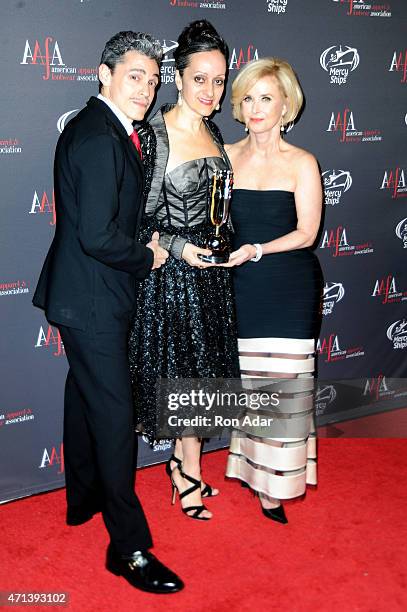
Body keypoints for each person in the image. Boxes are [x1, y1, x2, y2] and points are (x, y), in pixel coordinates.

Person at [32, 31, 183, 594]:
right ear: (104, 73)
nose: (145, 88)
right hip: (93, 297)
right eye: (134, 75)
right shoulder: (99, 136)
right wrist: (150, 255)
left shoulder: (109, 128)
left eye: (152, 77)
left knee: (84, 394)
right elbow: (98, 235)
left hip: (87, 293)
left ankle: (84, 499)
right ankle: (129, 549)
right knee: (116, 418)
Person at [129, 20, 240, 521]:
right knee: (188, 375)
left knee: (204, 374)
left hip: (213, 276)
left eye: (219, 81)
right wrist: (177, 247)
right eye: (200, 79)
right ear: (178, 76)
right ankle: (190, 476)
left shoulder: (214, 130)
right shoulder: (155, 136)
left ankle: (179, 463)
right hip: (174, 279)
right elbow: (137, 221)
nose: (211, 91)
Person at [224, 58, 323, 523]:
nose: (256, 107)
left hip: (288, 290)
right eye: (248, 97)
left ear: (287, 105)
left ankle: (274, 487)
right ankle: (250, 469)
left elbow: (307, 232)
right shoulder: (224, 155)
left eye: (266, 97)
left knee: (284, 391)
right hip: (238, 288)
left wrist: (258, 250)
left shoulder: (302, 162)